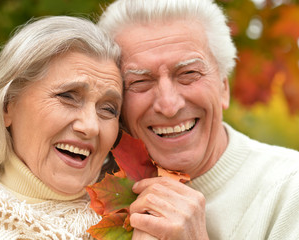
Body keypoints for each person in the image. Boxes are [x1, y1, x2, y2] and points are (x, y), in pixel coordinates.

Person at [98, 0, 299, 239]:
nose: (169, 106)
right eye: (140, 82)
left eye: (188, 74)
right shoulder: (86, 185)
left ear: (224, 88)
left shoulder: (289, 188)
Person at [0, 16, 123, 239]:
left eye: (109, 109)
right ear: (7, 105)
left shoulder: (138, 225)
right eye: (68, 96)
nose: (91, 126)